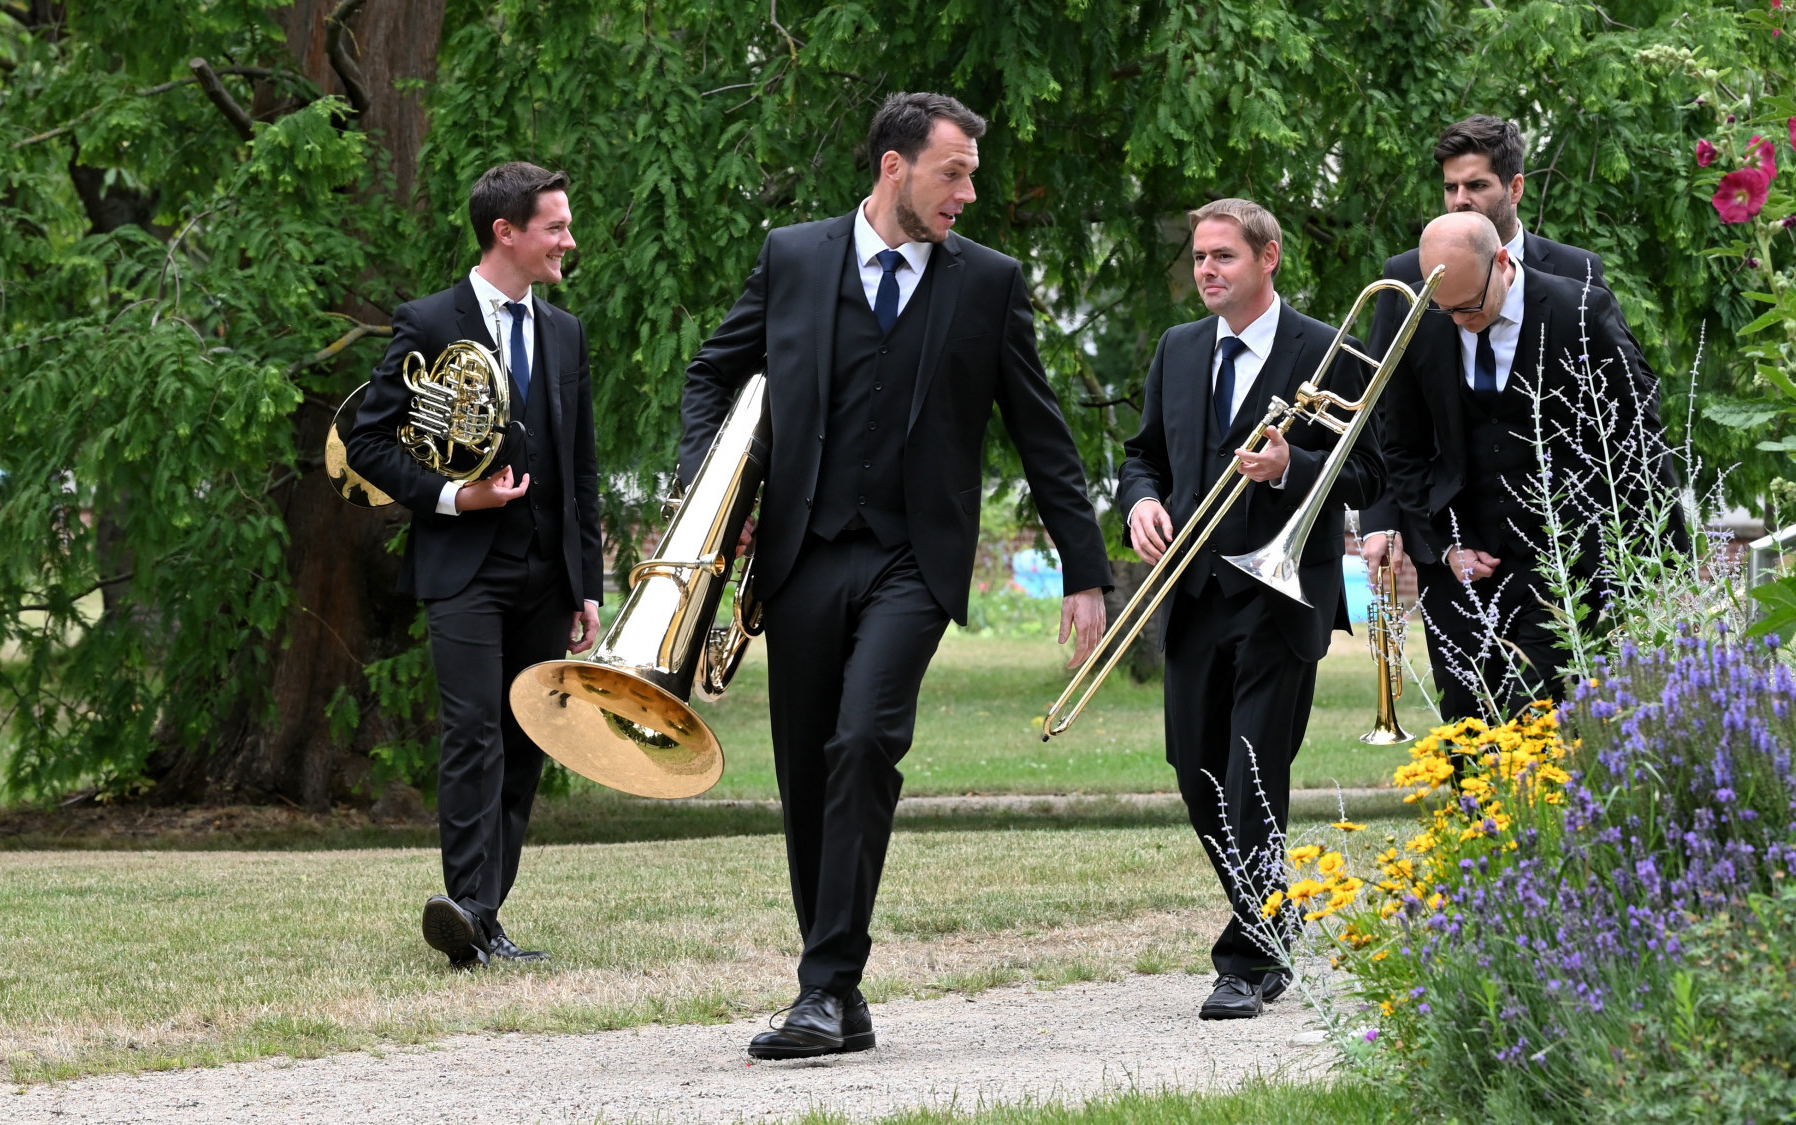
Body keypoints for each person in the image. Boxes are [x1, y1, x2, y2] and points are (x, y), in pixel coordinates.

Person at [679, 91, 1111, 1058]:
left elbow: (1043, 433)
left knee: (865, 739)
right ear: (893, 167)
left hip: (914, 559)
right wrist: (703, 490)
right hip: (799, 554)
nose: (968, 190)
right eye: (952, 171)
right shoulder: (794, 256)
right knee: (805, 769)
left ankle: (824, 988)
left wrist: (1085, 572)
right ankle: (839, 992)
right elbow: (713, 371)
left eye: (970, 173)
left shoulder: (989, 283)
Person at [1117, 199, 1384, 1020]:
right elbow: (1144, 454)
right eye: (1199, 256)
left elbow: (1372, 473)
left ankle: (1248, 958)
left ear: (1268, 258)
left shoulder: (1329, 349)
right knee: (1195, 774)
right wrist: (1140, 502)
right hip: (1194, 595)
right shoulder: (1179, 347)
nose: (1206, 270)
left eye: (1224, 256)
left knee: (1249, 778)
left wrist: (1290, 468)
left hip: (1281, 597)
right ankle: (1279, 918)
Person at [346, 162, 604, 969]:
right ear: (507, 233)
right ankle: (464, 911)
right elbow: (366, 440)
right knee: (473, 734)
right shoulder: (429, 320)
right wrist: (457, 497)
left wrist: (588, 584)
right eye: (555, 227)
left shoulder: (564, 332)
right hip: (463, 564)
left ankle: (485, 913)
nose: (568, 240)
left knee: (525, 738)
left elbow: (582, 469)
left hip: (546, 573)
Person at [1365, 211, 1673, 723]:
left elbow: (1637, 434)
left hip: (1565, 565)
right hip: (1461, 570)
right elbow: (1400, 447)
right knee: (1467, 730)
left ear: (1503, 263)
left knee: (1538, 725)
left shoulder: (1583, 311)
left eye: (1469, 306)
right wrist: (1443, 546)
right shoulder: (1417, 318)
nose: (1459, 319)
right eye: (1447, 310)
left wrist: (1653, 558)